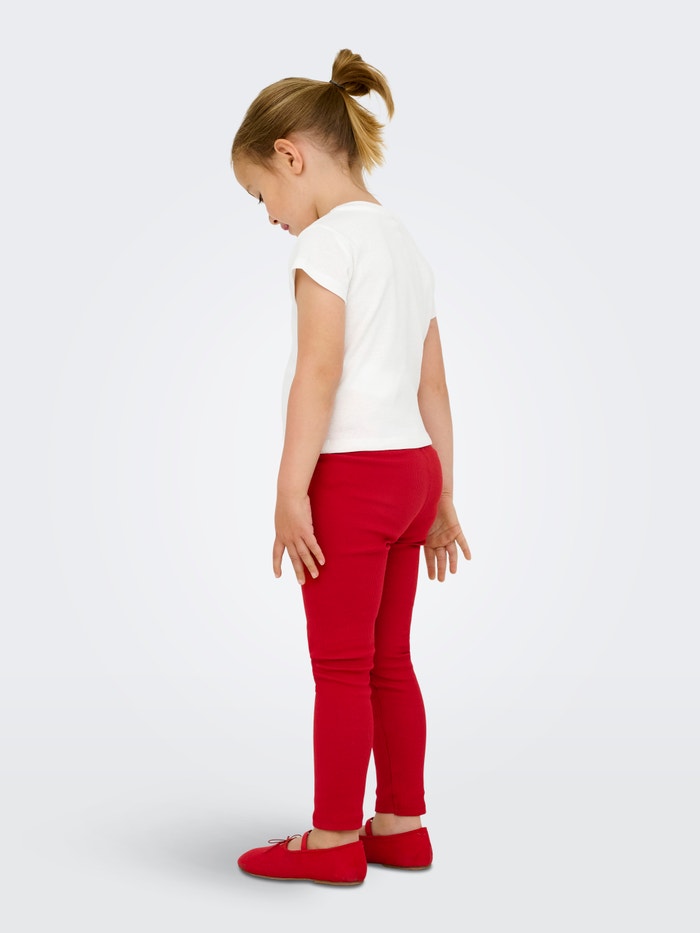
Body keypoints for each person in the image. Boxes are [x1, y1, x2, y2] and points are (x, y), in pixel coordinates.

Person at [230, 48, 471, 886]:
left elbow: (319, 371)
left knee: (339, 668)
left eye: (261, 193)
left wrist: (288, 487)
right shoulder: (404, 242)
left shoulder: (326, 244)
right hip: (412, 473)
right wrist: (444, 493)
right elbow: (433, 384)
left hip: (355, 481)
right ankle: (401, 825)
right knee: (388, 659)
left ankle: (333, 839)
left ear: (289, 155)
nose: (269, 215)